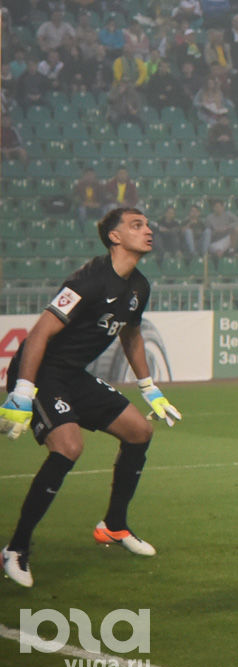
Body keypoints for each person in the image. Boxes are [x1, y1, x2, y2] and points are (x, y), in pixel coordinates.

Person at [2, 208, 182, 589]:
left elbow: (131, 334)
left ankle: (114, 525)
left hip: (72, 376)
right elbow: (39, 334)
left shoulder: (139, 286)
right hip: (41, 372)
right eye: (136, 225)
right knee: (69, 447)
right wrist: (23, 390)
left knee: (139, 432)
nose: (148, 230)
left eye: (147, 224)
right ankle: (15, 549)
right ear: (115, 237)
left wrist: (149, 387)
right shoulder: (88, 280)